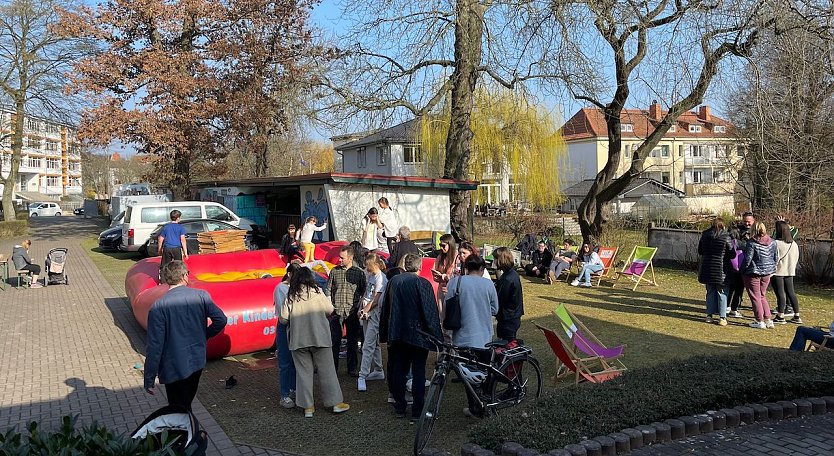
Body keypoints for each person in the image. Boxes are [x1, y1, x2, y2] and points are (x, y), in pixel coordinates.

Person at [144, 261, 227, 409]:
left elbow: (154, 346)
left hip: (173, 365)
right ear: (184, 276)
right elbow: (221, 320)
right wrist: (205, 335)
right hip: (197, 361)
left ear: (166, 279)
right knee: (186, 402)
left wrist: (149, 377)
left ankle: (184, 429)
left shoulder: (158, 306)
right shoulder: (201, 296)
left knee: (177, 406)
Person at [379, 253, 443, 421]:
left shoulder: (394, 281)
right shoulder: (422, 283)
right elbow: (430, 312)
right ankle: (417, 410)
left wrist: (385, 331)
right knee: (418, 371)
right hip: (418, 334)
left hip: (397, 333)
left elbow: (386, 307)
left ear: (406, 266)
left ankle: (399, 407)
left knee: (399, 369)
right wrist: (437, 338)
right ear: (420, 267)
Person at [279, 267, 350, 418]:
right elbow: (330, 310)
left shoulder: (291, 296)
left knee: (303, 374)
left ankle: (308, 407)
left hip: (299, 340)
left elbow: (283, 319)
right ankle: (335, 403)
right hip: (320, 338)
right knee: (328, 371)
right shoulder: (318, 292)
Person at [324, 245, 367, 376]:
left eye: (342, 258)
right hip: (336, 312)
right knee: (334, 342)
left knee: (352, 342)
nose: (339, 260)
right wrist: (329, 305)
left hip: (352, 311)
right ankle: (333, 369)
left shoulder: (359, 273)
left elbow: (364, 291)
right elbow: (328, 289)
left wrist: (360, 307)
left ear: (350, 257)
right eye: (339, 257)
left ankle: (352, 368)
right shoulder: (334, 271)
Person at [446, 255, 499, 348]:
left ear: (466, 268)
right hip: (483, 335)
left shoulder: (455, 282)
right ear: (481, 268)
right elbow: (495, 309)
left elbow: (447, 305)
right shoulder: (488, 284)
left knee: (461, 361)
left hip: (460, 334)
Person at [357, 253, 388, 392]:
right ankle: (378, 369)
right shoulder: (371, 276)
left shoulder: (381, 278)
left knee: (367, 344)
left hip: (374, 313)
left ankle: (362, 375)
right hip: (367, 310)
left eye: (368, 266)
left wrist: (365, 309)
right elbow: (366, 293)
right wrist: (361, 308)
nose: (366, 269)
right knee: (372, 342)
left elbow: (376, 299)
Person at [697, 217, 734, 326]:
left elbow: (700, 251)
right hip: (722, 268)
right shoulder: (726, 236)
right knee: (722, 293)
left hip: (708, 267)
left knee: (710, 292)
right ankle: (722, 317)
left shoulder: (705, 235)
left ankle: (709, 316)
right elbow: (732, 254)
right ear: (723, 225)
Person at [741, 221, 778, 329]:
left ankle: (759, 320)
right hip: (767, 272)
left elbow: (747, 259)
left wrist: (742, 270)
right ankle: (768, 319)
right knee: (762, 295)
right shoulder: (773, 242)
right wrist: (771, 269)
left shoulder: (751, 243)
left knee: (755, 296)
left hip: (754, 272)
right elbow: (775, 257)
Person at [274, 263, 300, 408]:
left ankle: (294, 388)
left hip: (297, 326)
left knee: (295, 360)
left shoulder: (298, 287)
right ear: (289, 274)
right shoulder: (280, 288)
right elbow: (282, 311)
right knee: (285, 362)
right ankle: (284, 394)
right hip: (285, 326)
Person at [772, 220, 801, 324]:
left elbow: (774, 258)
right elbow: (796, 257)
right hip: (790, 270)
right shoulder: (794, 244)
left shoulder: (776, 243)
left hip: (778, 271)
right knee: (791, 293)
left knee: (780, 294)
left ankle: (780, 316)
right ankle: (797, 315)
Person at [727, 212, 756, 317]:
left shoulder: (756, 230)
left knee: (739, 287)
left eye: (749, 222)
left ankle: (733, 306)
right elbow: (732, 243)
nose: (747, 223)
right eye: (745, 221)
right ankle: (730, 307)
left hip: (746, 263)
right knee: (734, 286)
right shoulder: (736, 230)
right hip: (736, 263)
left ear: (753, 221)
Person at [493, 247, 523, 342]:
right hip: (512, 316)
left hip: (508, 318)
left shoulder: (507, 279)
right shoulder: (511, 274)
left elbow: (500, 298)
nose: (493, 261)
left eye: (495, 259)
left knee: (506, 344)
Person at [432, 234, 458, 314]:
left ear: (450, 244)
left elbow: (456, 276)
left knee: (451, 316)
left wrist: (443, 276)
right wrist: (438, 275)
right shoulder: (440, 256)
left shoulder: (456, 256)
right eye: (440, 245)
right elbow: (434, 269)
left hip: (452, 291)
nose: (441, 248)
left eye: (443, 245)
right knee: (442, 315)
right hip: (441, 289)